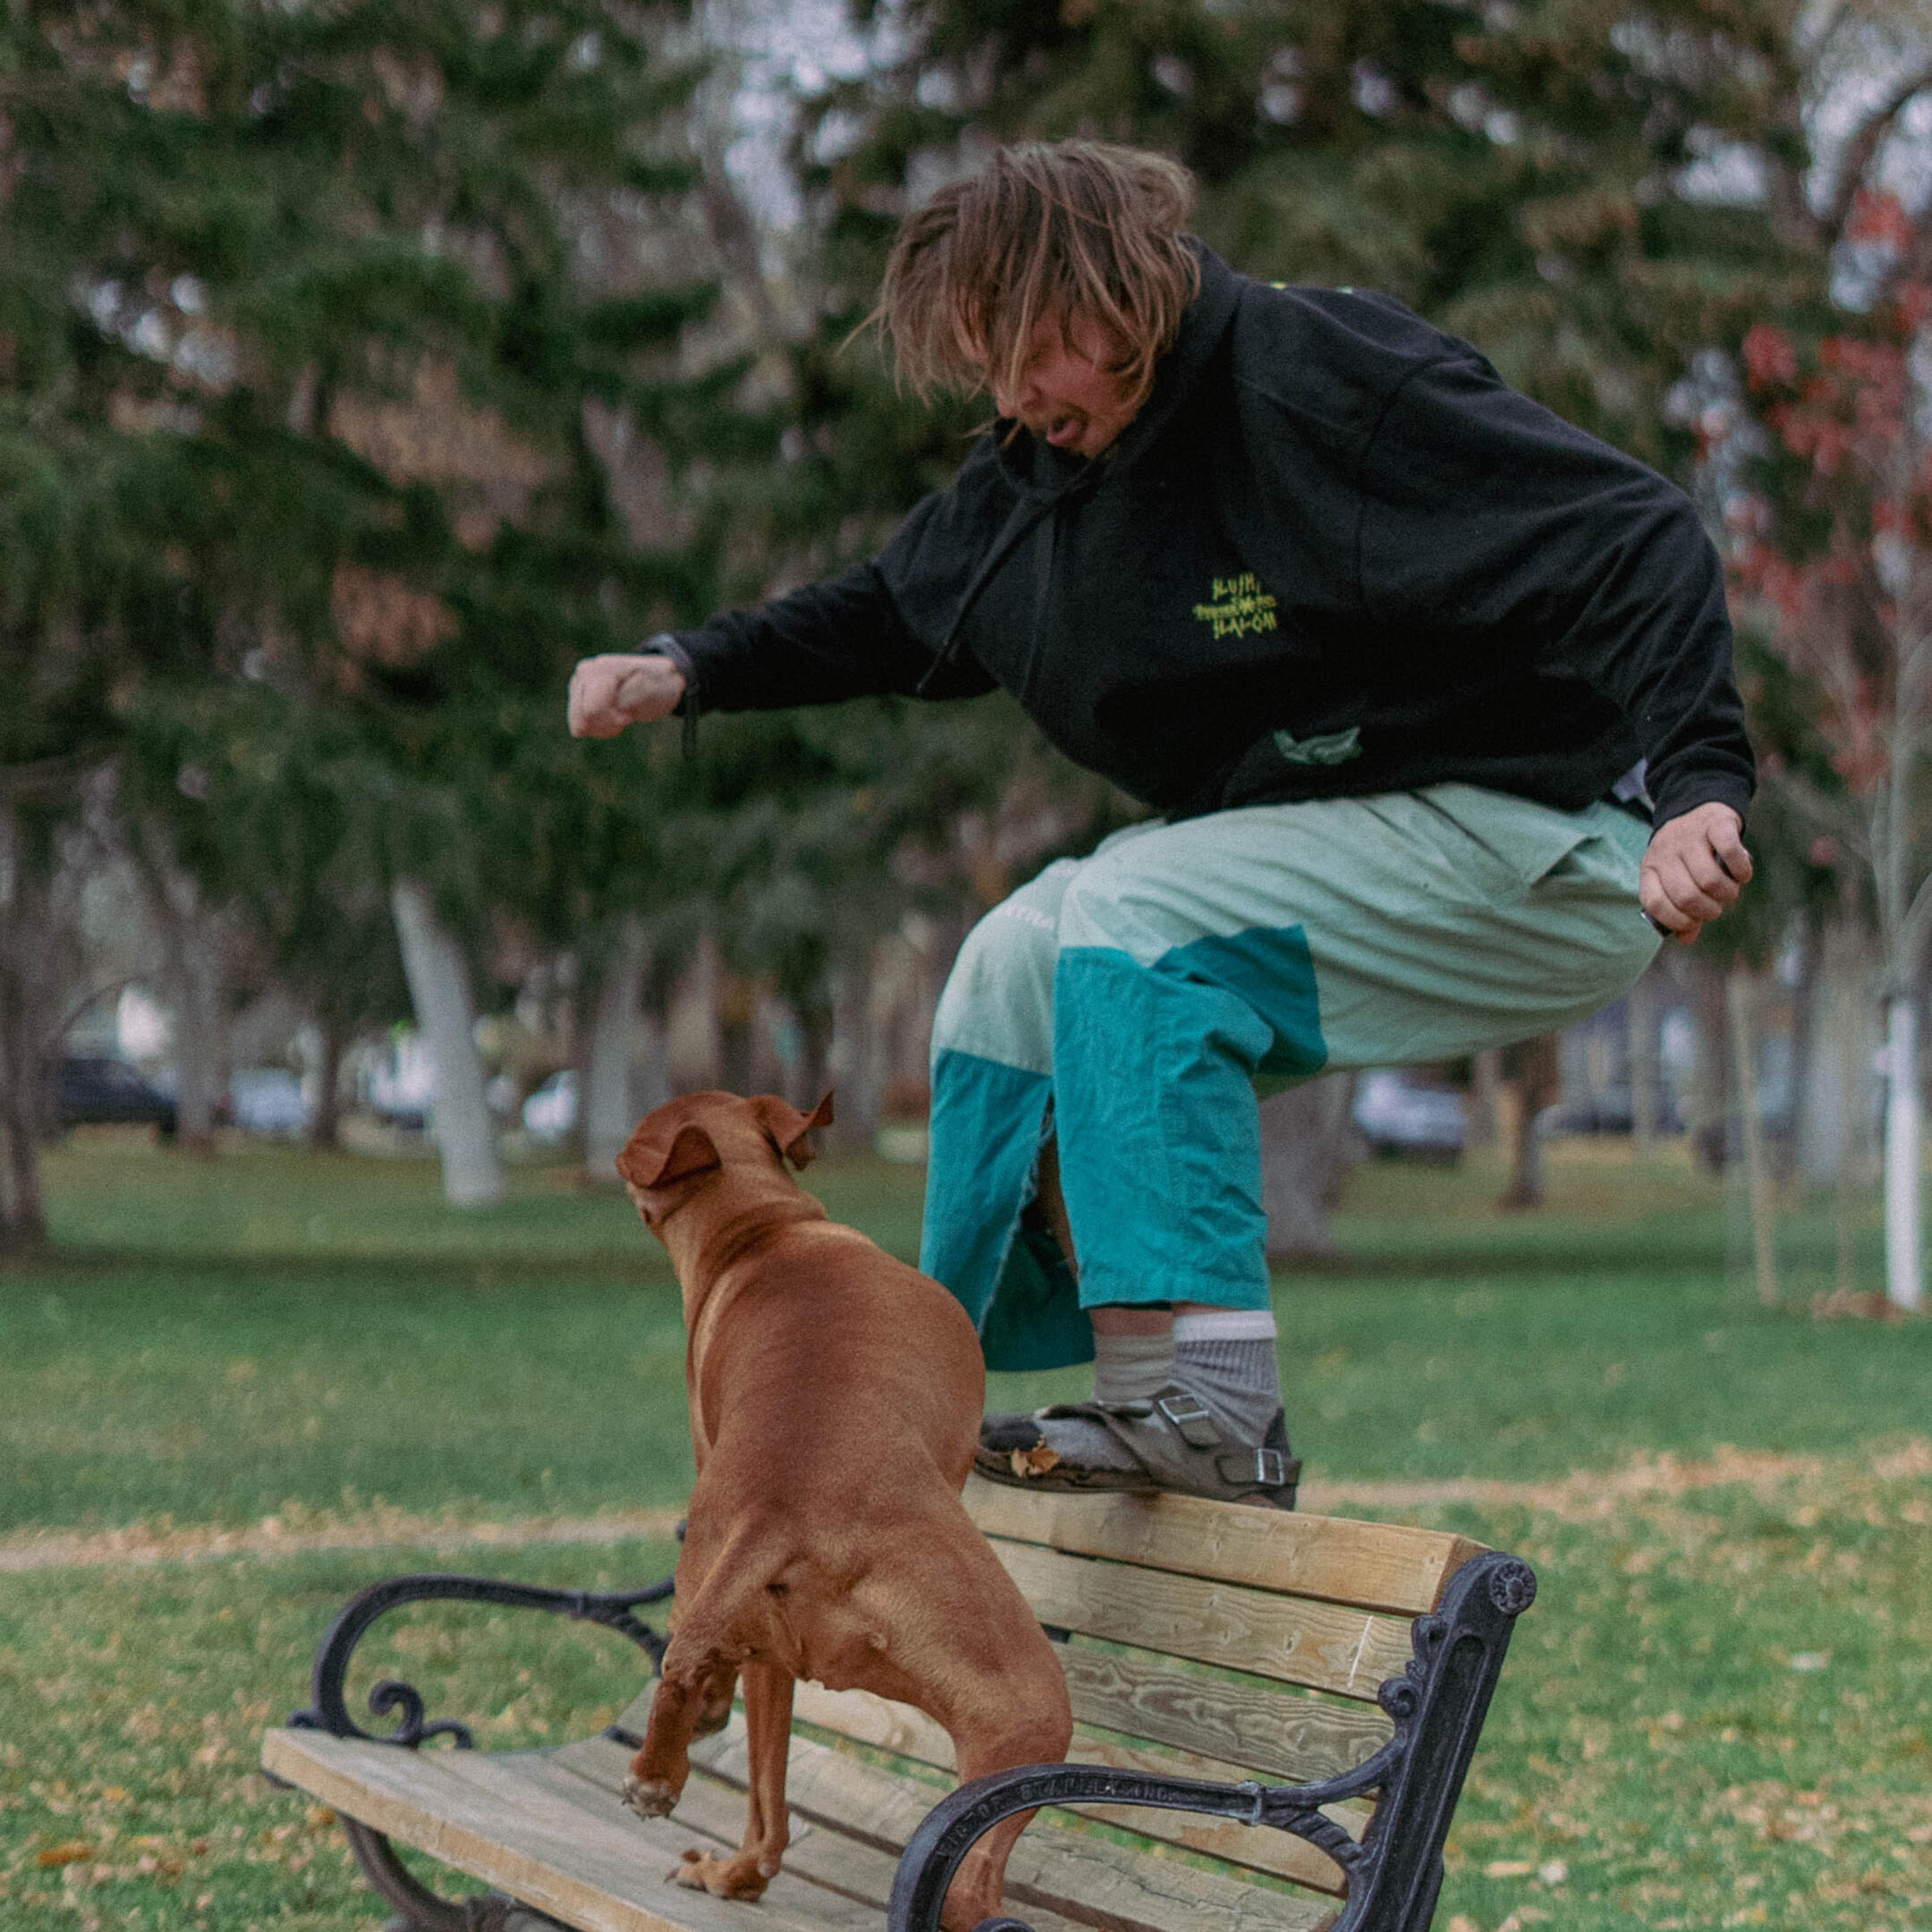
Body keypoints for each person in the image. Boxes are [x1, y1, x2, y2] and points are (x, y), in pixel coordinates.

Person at [568, 140, 1754, 1510]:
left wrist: (1701, 785)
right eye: (984, 366)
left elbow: (1637, 538)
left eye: (1031, 350)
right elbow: (898, 608)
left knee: (1138, 921)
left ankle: (1222, 1409)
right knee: (1015, 958)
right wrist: (694, 667)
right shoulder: (1038, 483)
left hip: (1549, 837)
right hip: (1369, 844)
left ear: (1119, 289)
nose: (1013, 396)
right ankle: (951, 1416)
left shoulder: (1316, 378)